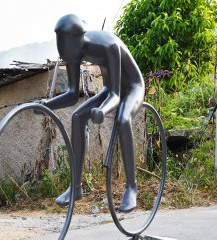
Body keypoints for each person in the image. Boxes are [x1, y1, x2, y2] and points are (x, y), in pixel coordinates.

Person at [41, 14, 144, 212]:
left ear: (78, 40)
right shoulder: (73, 52)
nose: (68, 59)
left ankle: (131, 187)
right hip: (111, 89)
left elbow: (115, 95)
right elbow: (72, 95)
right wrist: (47, 105)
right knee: (77, 117)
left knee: (123, 119)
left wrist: (102, 110)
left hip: (132, 87)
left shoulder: (108, 46)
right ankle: (76, 187)